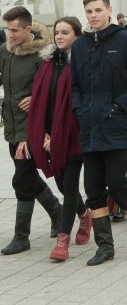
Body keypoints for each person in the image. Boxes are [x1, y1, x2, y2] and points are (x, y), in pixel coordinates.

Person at [71, 0, 127, 266]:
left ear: (108, 10)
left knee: (117, 181)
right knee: (93, 188)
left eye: (97, 10)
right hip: (90, 126)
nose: (93, 16)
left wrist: (119, 107)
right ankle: (105, 246)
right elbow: (76, 86)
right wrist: (78, 109)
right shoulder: (80, 46)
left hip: (118, 124)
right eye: (88, 12)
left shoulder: (126, 41)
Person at [27, 16, 92, 261]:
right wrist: (44, 132)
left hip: (73, 133)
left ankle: (62, 239)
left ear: (77, 35)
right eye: (57, 33)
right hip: (49, 134)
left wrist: (58, 135)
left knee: (70, 185)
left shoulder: (82, 63)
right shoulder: (47, 63)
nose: (59, 36)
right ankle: (84, 214)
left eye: (65, 32)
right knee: (64, 184)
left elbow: (79, 103)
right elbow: (41, 102)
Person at [0, 6, 62, 255]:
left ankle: (21, 236)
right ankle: (60, 212)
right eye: (7, 29)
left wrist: (36, 97)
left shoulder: (41, 55)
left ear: (28, 29)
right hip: (12, 125)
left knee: (22, 179)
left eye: (15, 30)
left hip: (33, 127)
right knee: (26, 176)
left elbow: (53, 89)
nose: (10, 34)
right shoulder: (4, 52)